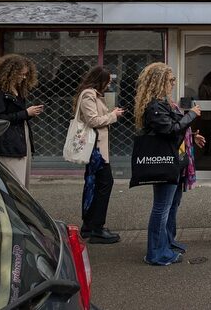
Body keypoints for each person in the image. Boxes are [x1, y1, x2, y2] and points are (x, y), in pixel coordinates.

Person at [135, 63, 203, 266]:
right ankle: (155, 252)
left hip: (175, 159)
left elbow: (176, 129)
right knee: (161, 208)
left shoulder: (164, 103)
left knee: (172, 204)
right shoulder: (155, 106)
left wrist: (193, 135)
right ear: (159, 82)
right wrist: (191, 114)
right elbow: (170, 130)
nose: (173, 84)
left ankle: (167, 242)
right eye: (171, 80)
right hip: (165, 161)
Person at [74, 67, 125, 244]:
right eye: (107, 81)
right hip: (96, 151)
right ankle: (96, 228)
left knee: (93, 184)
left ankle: (89, 226)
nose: (109, 84)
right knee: (104, 184)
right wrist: (113, 115)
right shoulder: (88, 94)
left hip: (98, 149)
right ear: (99, 80)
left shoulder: (93, 94)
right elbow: (93, 120)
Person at [0, 54, 43, 189]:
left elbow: (16, 115)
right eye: (21, 74)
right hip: (8, 142)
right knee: (13, 182)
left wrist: (29, 114)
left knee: (22, 180)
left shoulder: (18, 89)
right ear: (11, 72)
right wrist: (25, 113)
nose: (23, 78)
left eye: (25, 75)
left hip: (21, 137)